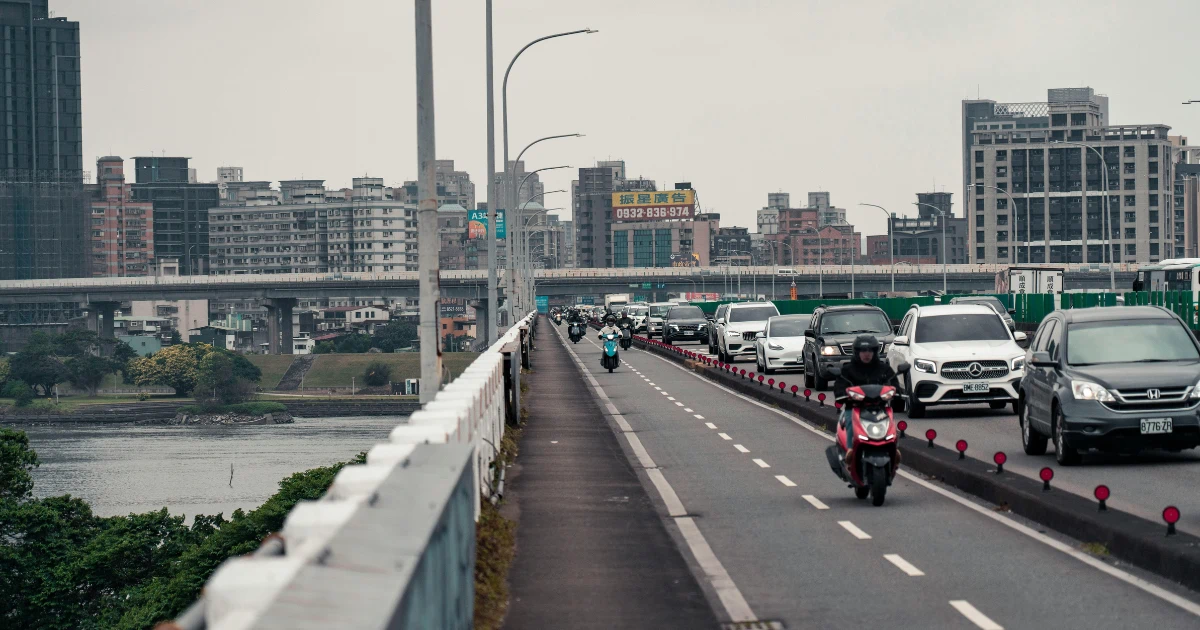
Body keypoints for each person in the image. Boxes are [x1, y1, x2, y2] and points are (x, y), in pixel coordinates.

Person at [833, 334, 896, 452]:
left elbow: (893, 383)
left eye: (870, 350)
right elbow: (839, 386)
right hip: (855, 408)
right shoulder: (847, 370)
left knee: (891, 422)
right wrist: (842, 394)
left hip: (879, 409)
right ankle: (850, 450)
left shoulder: (884, 369)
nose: (866, 354)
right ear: (857, 352)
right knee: (850, 419)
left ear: (875, 352)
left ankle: (893, 448)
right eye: (863, 351)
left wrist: (896, 392)